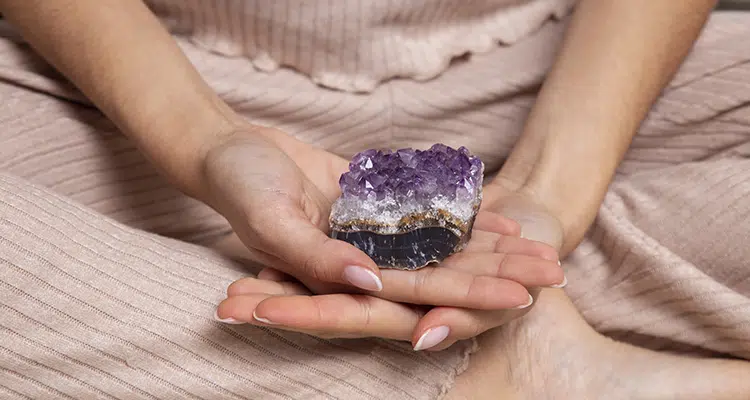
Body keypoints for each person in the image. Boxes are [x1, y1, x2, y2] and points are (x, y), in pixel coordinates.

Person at [0, 0, 749, 398]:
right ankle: (508, 369)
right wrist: (206, 144)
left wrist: (548, 193)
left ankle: (181, 292)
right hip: (151, 84)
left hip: (568, 74)